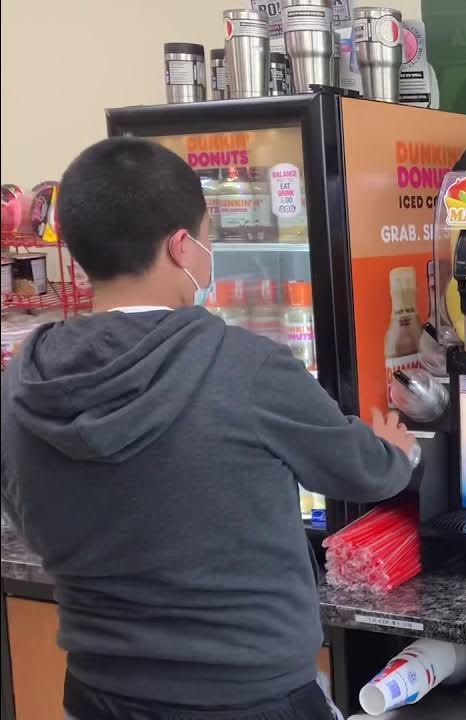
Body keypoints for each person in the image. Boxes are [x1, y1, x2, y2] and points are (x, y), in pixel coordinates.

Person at [0, 137, 418, 719]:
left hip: (99, 694)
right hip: (250, 695)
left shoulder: (25, 377)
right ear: (180, 246)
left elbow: (26, 512)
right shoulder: (245, 366)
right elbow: (364, 472)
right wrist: (396, 450)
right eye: (205, 236)